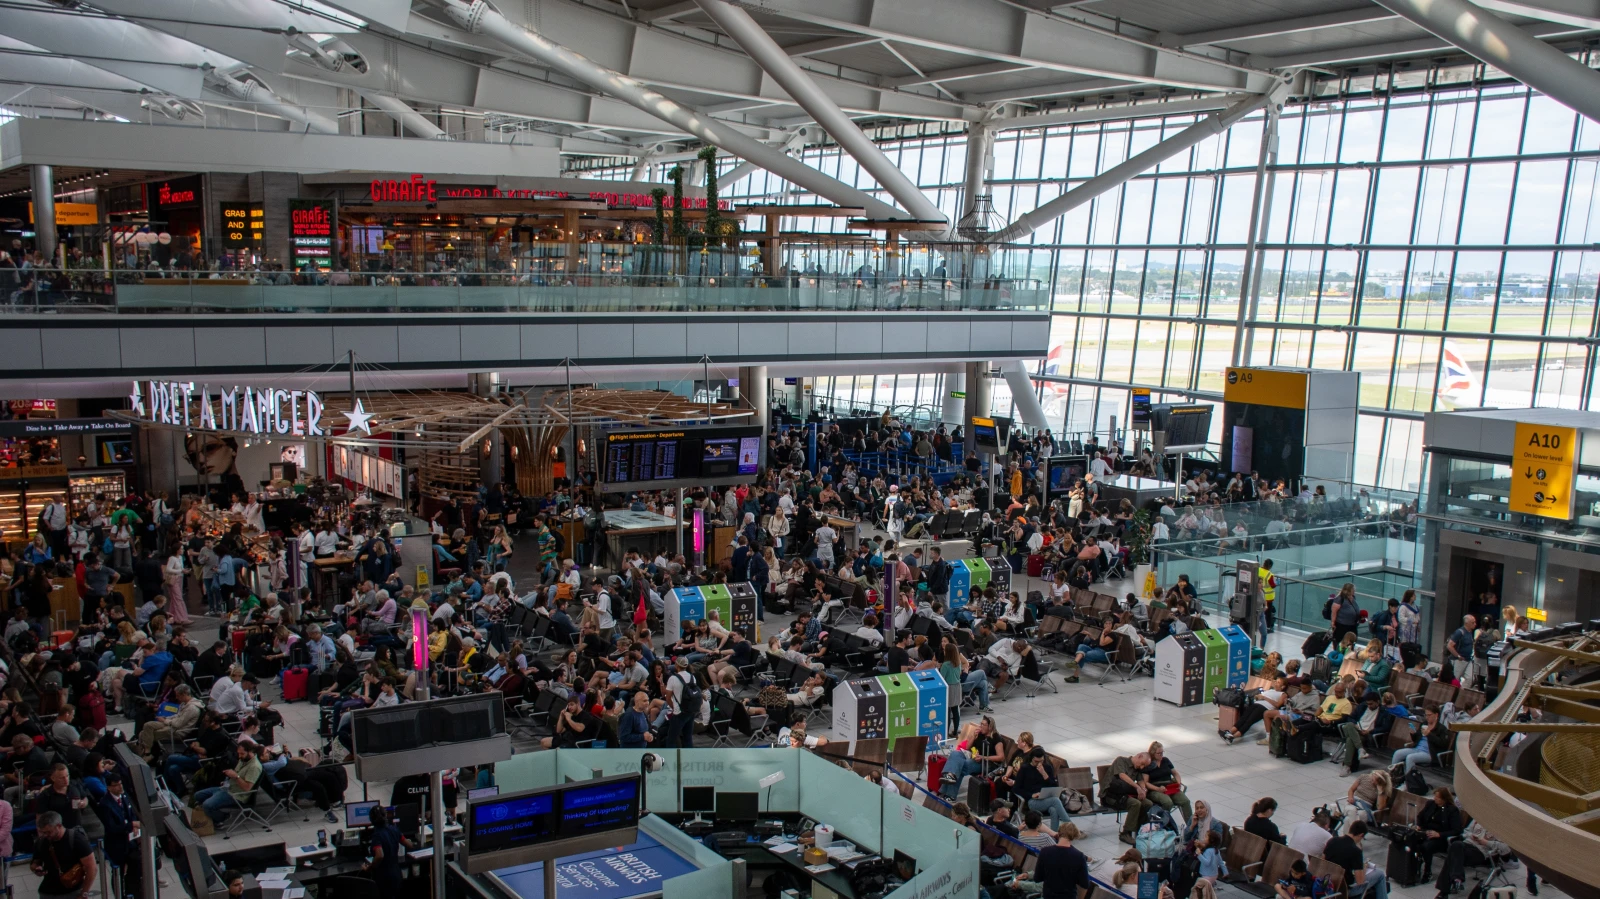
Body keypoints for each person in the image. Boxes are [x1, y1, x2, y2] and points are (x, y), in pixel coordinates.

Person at [192, 740, 261, 827]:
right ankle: (211, 812)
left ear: (250, 752)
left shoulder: (254, 767)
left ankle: (222, 817)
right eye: (239, 753)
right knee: (198, 795)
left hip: (237, 795)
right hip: (228, 788)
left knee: (207, 805)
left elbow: (247, 788)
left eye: (242, 754)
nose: (239, 756)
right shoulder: (243, 759)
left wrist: (236, 776)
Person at [1433, 819, 1508, 899]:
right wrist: (1471, 836)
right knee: (1456, 846)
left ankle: (1445, 891)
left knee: (1453, 855)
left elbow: (1505, 848)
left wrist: (1485, 842)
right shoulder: (1478, 818)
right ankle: (1457, 878)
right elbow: (1466, 832)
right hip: (1467, 845)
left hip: (1482, 852)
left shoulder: (1502, 826)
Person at [31, 811, 96, 899]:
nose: (45, 835)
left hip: (72, 891)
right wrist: (36, 868)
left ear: (59, 826)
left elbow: (91, 868)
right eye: (43, 832)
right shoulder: (42, 842)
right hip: (48, 891)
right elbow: (35, 862)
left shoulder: (76, 840)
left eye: (49, 832)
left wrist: (84, 893)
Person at [1322, 820, 1388, 899]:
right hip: (1345, 890)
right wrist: (1364, 866)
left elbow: (1323, 860)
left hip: (1328, 883)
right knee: (1380, 874)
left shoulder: (1332, 840)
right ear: (1361, 835)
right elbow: (1360, 881)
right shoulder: (1356, 851)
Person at [1101, 752, 1153, 845]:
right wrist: (1137, 788)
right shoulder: (1121, 760)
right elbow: (1122, 775)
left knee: (1148, 803)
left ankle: (1140, 828)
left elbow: (1140, 780)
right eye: (1142, 764)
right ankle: (1126, 832)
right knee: (1135, 804)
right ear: (1139, 756)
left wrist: (1143, 789)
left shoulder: (1137, 768)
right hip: (1112, 795)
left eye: (1144, 766)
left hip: (1125, 794)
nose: (1141, 767)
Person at [1415, 787, 1466, 881]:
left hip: (1441, 838)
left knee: (1427, 846)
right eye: (1435, 796)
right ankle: (1413, 867)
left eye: (1438, 797)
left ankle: (1427, 871)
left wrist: (1439, 834)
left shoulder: (1452, 810)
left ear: (1444, 798)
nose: (1435, 798)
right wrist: (1419, 826)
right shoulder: (1430, 804)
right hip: (1426, 832)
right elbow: (1420, 816)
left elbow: (1457, 830)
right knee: (1411, 840)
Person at [1029, 823, 1091, 899]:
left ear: (1059, 833)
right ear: (1074, 836)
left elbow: (1037, 878)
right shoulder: (1079, 856)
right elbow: (1085, 884)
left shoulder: (1045, 852)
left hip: (1049, 895)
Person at [364, 805, 411, 894]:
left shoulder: (377, 835)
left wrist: (369, 868)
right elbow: (409, 845)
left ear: (371, 820)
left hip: (384, 878)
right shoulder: (394, 829)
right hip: (396, 874)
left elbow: (380, 855)